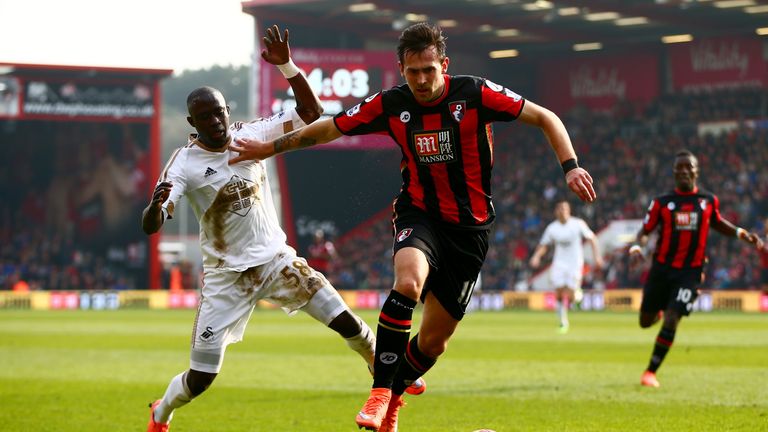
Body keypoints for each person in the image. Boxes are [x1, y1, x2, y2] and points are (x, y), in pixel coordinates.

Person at [229, 22, 596, 432]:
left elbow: (546, 117)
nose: (421, 80)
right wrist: (268, 147)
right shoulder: (391, 104)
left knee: (433, 342)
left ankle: (395, 398)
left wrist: (571, 167)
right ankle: (380, 391)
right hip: (418, 213)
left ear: (444, 65)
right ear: (400, 69)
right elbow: (330, 127)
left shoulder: (475, 93)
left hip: (471, 229)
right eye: (412, 72)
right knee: (408, 283)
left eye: (428, 70)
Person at [142, 25, 382, 432]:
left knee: (346, 321)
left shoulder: (251, 135)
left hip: (276, 261)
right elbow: (152, 223)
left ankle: (388, 376)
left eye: (218, 112)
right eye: (204, 117)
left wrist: (287, 65)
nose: (214, 121)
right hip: (226, 279)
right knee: (202, 378)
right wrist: (155, 205)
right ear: (192, 121)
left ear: (227, 111)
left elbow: (311, 113)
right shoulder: (182, 163)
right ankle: (161, 413)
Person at [628, 149, 763, 388]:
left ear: (696, 171)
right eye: (679, 167)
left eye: (688, 167)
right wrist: (638, 247)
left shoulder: (708, 201)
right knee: (645, 322)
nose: (683, 171)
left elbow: (718, 222)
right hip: (661, 269)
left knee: (672, 319)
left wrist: (741, 233)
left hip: (689, 272)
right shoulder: (661, 203)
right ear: (673, 173)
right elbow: (645, 231)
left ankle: (650, 372)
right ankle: (660, 309)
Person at [529, 200, 604, 333]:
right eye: (559, 209)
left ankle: (577, 295)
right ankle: (563, 322)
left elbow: (592, 238)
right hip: (559, 263)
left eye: (564, 209)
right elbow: (544, 245)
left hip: (575, 263)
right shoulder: (552, 228)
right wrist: (536, 256)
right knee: (558, 292)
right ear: (556, 212)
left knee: (570, 295)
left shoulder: (577, 224)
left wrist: (597, 257)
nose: (562, 211)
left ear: (569, 211)